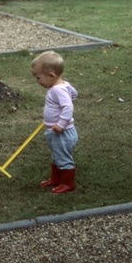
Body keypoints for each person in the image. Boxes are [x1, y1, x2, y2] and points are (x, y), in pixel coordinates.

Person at [31, 51, 78, 193]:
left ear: (51, 76)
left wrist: (60, 124)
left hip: (61, 132)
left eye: (38, 78)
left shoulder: (57, 90)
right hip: (56, 131)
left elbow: (68, 106)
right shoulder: (64, 85)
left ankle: (68, 183)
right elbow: (74, 94)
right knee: (56, 156)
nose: (37, 81)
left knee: (63, 157)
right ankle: (56, 179)